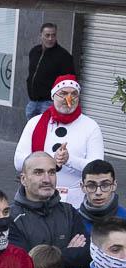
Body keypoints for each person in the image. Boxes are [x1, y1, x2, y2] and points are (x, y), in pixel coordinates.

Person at [14, 75, 103, 207]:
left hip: (76, 201)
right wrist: (49, 161)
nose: (69, 99)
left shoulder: (90, 126)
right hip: (37, 197)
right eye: (63, 94)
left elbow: (97, 168)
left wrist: (69, 160)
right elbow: (19, 162)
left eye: (74, 94)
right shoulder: (35, 123)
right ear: (53, 96)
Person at [9, 151, 89, 268]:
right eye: (38, 172)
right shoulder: (10, 217)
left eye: (52, 172)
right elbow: (24, 264)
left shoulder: (69, 212)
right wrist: (68, 253)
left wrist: (41, 259)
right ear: (23, 179)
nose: (47, 179)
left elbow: (87, 256)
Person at [25, 22, 76, 119]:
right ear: (41, 35)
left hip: (49, 103)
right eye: (47, 35)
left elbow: (70, 82)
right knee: (31, 131)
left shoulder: (63, 56)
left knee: (46, 130)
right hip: (32, 101)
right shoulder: (34, 52)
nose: (50, 38)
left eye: (53, 35)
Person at [76, 159, 126, 231]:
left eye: (105, 185)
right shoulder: (72, 220)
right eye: (91, 186)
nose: (98, 192)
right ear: (82, 187)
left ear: (114, 185)